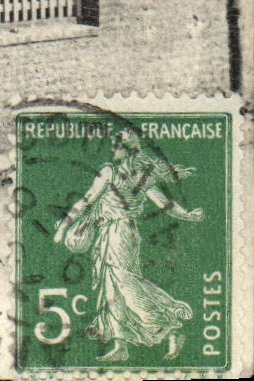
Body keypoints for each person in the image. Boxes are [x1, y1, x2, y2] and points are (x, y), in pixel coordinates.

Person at [53, 128, 204, 362]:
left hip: (118, 233)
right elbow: (165, 204)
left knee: (125, 285)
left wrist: (64, 227)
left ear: (127, 151)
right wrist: (187, 214)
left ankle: (169, 327)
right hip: (119, 233)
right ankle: (120, 345)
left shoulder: (109, 172)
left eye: (116, 146)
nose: (112, 149)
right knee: (112, 288)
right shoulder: (141, 175)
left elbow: (87, 200)